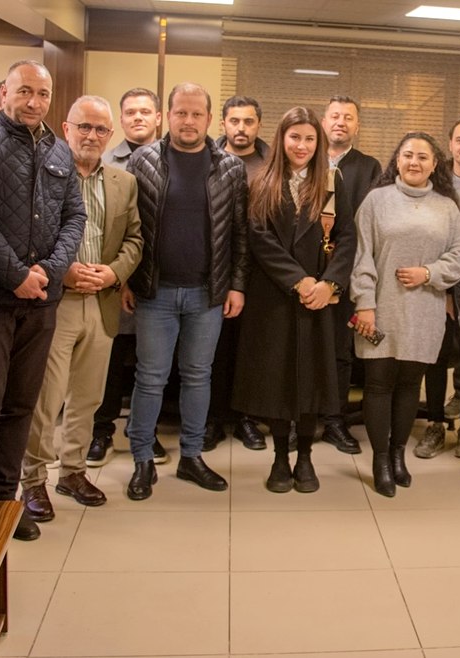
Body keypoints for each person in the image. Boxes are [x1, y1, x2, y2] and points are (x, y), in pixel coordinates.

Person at [0, 60, 86, 541]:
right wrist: (16, 275)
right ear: (3, 94)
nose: (35, 102)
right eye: (25, 91)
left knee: (21, 407)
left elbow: (75, 216)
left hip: (43, 301)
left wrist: (50, 271)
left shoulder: (58, 148)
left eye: (43, 93)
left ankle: (7, 500)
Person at [18, 96, 143, 518]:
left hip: (102, 302)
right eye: (84, 127)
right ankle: (33, 479)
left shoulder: (124, 182)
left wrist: (113, 273)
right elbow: (26, 235)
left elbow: (135, 239)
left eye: (100, 129)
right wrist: (62, 271)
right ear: (66, 129)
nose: (92, 135)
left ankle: (72, 472)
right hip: (57, 302)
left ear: (111, 135)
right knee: (47, 398)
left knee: (88, 397)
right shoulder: (42, 173)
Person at [123, 82, 248, 501]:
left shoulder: (230, 168)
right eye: (181, 112)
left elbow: (240, 234)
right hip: (154, 292)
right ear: (168, 116)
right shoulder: (143, 161)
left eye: (197, 114)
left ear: (210, 119)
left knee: (198, 376)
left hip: (207, 293)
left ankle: (191, 456)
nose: (189, 121)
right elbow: (128, 226)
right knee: (150, 378)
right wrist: (127, 279)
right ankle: (142, 459)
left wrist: (236, 286)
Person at [233, 106, 356, 494]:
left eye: (309, 138)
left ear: (318, 142)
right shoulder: (262, 181)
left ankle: (305, 456)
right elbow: (258, 238)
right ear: (281, 139)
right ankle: (280, 458)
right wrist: (298, 280)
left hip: (318, 299)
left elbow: (348, 237)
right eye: (294, 137)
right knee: (278, 382)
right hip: (274, 298)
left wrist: (329, 284)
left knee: (311, 381)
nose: (301, 145)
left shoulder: (332, 182)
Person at [351, 132, 460, 496]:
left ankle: (398, 454)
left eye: (422, 157)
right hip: (379, 308)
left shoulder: (446, 207)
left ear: (435, 164)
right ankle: (380, 459)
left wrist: (429, 273)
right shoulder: (377, 200)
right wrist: (364, 304)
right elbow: (361, 255)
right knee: (378, 384)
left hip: (424, 310)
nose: (414, 162)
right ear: (397, 160)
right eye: (407, 155)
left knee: (408, 385)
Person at [90, 87, 166, 467]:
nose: (138, 117)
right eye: (131, 112)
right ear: (121, 120)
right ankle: (101, 431)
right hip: (115, 281)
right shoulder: (104, 162)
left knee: (151, 364)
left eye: (145, 111)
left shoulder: (173, 161)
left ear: (158, 118)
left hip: (159, 281)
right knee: (110, 360)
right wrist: (120, 278)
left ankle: (145, 431)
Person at [206, 94, 272, 452]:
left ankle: (246, 418)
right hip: (215, 268)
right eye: (235, 121)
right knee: (214, 349)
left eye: (248, 121)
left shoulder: (271, 164)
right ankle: (214, 419)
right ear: (223, 124)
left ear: (258, 125)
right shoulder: (208, 159)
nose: (241, 128)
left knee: (251, 350)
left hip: (260, 271)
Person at [418, 117, 460, 459]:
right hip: (437, 280)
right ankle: (434, 425)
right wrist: (442, 287)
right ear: (450, 144)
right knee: (436, 356)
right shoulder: (436, 181)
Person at [320, 95, 382, 455]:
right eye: (334, 116)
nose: (340, 122)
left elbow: (370, 222)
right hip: (306, 272)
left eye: (348, 117)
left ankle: (334, 420)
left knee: (340, 352)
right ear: (323, 121)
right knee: (305, 348)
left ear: (357, 126)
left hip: (347, 269)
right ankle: (300, 417)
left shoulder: (369, 167)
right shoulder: (308, 159)